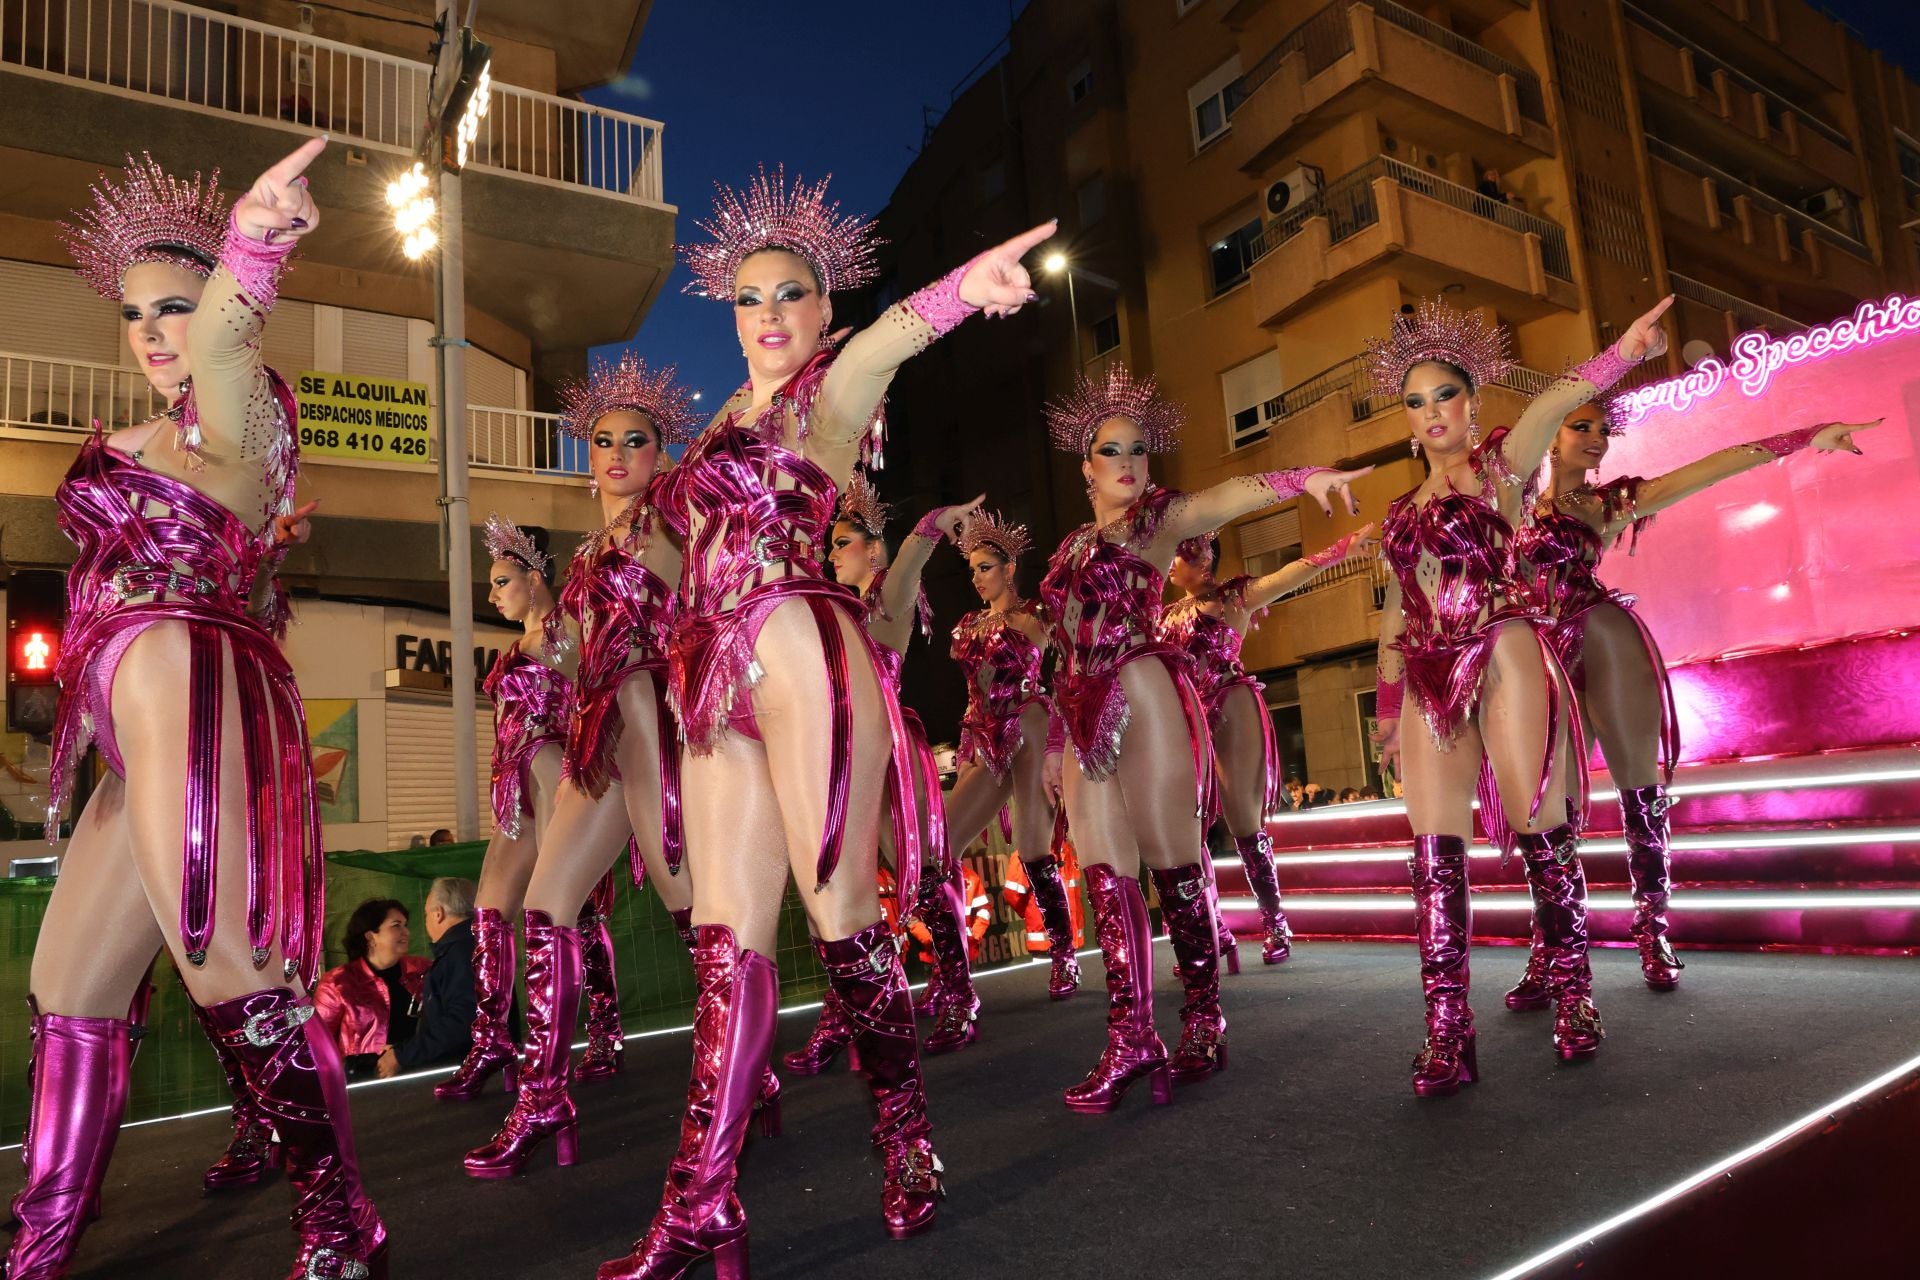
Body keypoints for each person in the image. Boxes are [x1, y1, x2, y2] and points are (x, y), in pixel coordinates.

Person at [593, 168, 1050, 1278]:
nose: (770, 315)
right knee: (724, 935)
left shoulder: (826, 400)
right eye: (749, 299)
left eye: (790, 294)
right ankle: (703, 1197)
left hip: (800, 642)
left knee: (842, 909)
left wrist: (956, 292)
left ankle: (907, 1138)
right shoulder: (706, 440)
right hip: (711, 678)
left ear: (819, 309)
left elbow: (889, 341)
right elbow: (667, 557)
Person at [11, 140, 388, 1280]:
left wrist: (256, 240)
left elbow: (230, 330)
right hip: (130, 724)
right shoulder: (155, 429)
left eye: (173, 304)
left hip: (188, 681)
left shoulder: (238, 400)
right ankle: (43, 1230)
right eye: (134, 315)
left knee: (227, 963)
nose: (155, 331)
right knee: (66, 985)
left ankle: (337, 1219)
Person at [1037, 362, 1369, 1112]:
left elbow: (1226, 498)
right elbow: (1059, 641)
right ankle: (1129, 1038)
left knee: (1169, 860)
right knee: (1103, 870)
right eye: (1112, 451)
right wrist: (1057, 741)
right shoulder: (1065, 551)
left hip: (1143, 688)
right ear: (1085, 465)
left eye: (1138, 450)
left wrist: (1305, 477)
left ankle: (1204, 1016)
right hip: (1081, 706)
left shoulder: (1160, 520)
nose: (1127, 464)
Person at [1370, 295, 1673, 1097]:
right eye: (1415, 401)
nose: (1432, 412)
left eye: (1444, 395)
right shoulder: (1402, 516)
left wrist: (1625, 352)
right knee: (1433, 858)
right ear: (1405, 419)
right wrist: (1386, 712)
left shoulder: (1502, 469)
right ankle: (1448, 1032)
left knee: (1542, 827)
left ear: (1471, 404)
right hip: (1427, 674)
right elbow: (1396, 615)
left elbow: (1552, 403)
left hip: (1504, 650)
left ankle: (1575, 998)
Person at [1503, 402, 1881, 1003]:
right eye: (1582, 427)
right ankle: (1552, 944)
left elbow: (1708, 469)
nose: (1597, 439)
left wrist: (1807, 434)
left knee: (1639, 791)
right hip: (1535, 661)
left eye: (1605, 431)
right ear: (1548, 435)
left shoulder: (1605, 505)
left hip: (1602, 639)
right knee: (1547, 811)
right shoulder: (1508, 502)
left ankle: (1652, 930)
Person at [467, 355, 721, 1179]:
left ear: (660, 453)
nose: (616, 454)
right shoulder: (584, 557)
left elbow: (696, 618)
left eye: (636, 440)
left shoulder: (675, 528)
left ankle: (738, 1088)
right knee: (544, 908)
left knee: (695, 911)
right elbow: (578, 658)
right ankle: (544, 1100)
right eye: (603, 440)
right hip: (593, 739)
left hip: (651, 723)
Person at [786, 474, 985, 1068]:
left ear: (874, 549)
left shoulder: (888, 595)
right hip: (842, 752)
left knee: (919, 873)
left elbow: (914, 554)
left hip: (891, 748)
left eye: (842, 542)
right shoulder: (835, 608)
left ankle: (958, 993)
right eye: (830, 543)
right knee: (839, 886)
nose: (831, 553)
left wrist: (933, 521)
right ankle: (849, 1011)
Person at [1165, 524, 1376, 963]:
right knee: (1185, 824)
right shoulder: (1162, 617)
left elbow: (1288, 574)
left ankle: (1276, 922)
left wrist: (1341, 548)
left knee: (1242, 820)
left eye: (1177, 555)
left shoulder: (1231, 597)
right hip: (1187, 718)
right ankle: (1211, 924)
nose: (1169, 563)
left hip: (1229, 700)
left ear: (1202, 557)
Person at [438, 514, 579, 1106]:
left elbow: (597, 689)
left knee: (563, 912)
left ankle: (585, 1050)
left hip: (547, 773)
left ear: (536, 578)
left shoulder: (562, 632)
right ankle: (493, 1038)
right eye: (492, 583)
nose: (492, 593)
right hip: (513, 786)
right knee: (490, 912)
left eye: (502, 581)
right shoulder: (523, 640)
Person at [939, 508, 1081, 999]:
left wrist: (1058, 746)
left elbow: (1065, 679)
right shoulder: (966, 627)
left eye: (986, 567)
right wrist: (965, 747)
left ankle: (1064, 955)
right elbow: (972, 693)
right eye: (973, 569)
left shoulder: (1036, 617)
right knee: (940, 847)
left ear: (1009, 568)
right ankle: (951, 969)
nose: (978, 578)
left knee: (1033, 846)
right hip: (983, 733)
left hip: (1030, 721)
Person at [313, 899, 430, 1079]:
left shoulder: (422, 970)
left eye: (405, 925)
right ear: (370, 936)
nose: (406, 932)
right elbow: (319, 1045)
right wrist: (368, 1059)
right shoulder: (337, 983)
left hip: (422, 1072)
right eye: (396, 925)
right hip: (368, 1083)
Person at [384, 877, 483, 1078]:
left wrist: (404, 1055)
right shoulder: (473, 946)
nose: (405, 932)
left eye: (426, 914)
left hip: (462, 1072)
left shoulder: (459, 955)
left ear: (438, 914)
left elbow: (463, 1022)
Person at [1003, 825, 1086, 956]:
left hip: (1074, 944)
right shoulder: (1025, 855)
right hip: (1044, 946)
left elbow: (1075, 896)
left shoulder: (1069, 852)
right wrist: (1032, 913)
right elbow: (1012, 894)